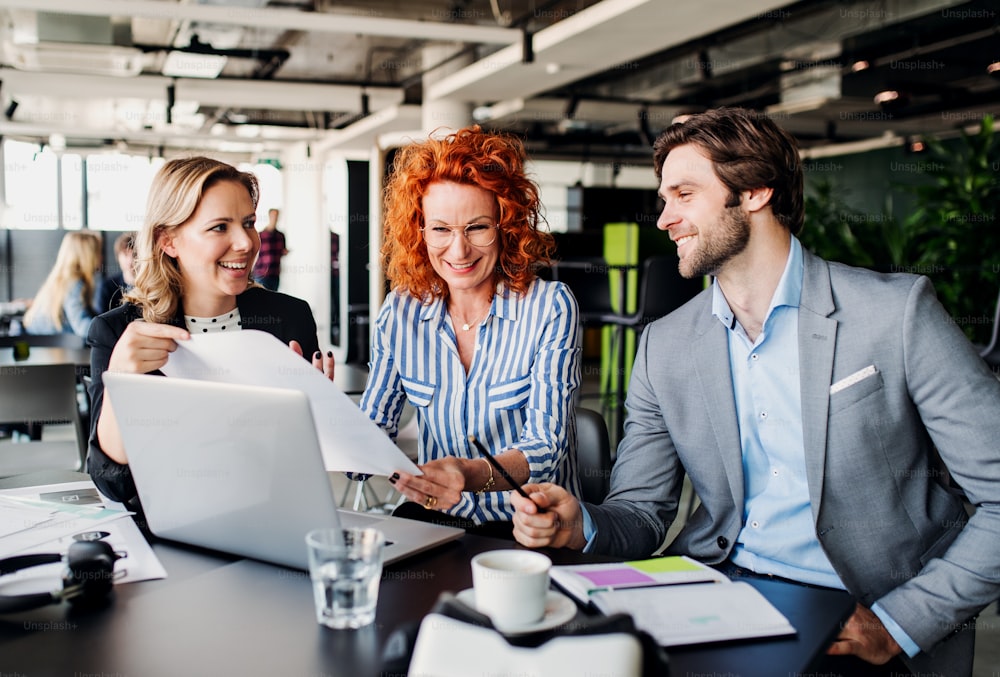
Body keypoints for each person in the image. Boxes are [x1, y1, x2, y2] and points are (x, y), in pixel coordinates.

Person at [510, 108, 1000, 677]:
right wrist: (581, 525)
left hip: (856, 616)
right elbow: (641, 514)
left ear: (755, 192)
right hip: (714, 598)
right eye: (664, 198)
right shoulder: (665, 345)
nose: (665, 218)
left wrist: (901, 621)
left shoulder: (896, 315)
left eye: (684, 194)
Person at [363, 125, 582, 537]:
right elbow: (374, 428)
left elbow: (546, 450)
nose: (458, 250)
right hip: (439, 520)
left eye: (477, 227)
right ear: (420, 231)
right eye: (441, 229)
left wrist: (468, 473)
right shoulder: (401, 311)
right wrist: (325, 419)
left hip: (529, 525)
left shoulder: (549, 307)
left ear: (506, 227)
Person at [87, 157, 334, 508]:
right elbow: (114, 486)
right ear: (168, 241)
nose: (246, 243)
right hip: (168, 531)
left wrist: (318, 411)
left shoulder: (289, 318)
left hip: (270, 518)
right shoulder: (119, 332)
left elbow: (306, 464)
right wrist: (119, 383)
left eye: (248, 223)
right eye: (220, 227)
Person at [21, 230, 102, 337]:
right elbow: (82, 328)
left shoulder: (61, 279)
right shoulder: (74, 283)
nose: (101, 257)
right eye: (99, 252)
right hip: (47, 344)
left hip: (39, 342)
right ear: (88, 256)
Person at [96, 231, 137, 312]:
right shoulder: (107, 287)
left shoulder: (149, 286)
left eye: (134, 255)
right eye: (125, 255)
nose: (130, 260)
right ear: (118, 257)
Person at [252, 207, 288, 290]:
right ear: (269, 216)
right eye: (273, 215)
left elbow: (282, 251)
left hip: (275, 274)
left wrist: (285, 252)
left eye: (276, 216)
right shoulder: (260, 235)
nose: (275, 218)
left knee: (273, 300)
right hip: (261, 274)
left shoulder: (281, 236)